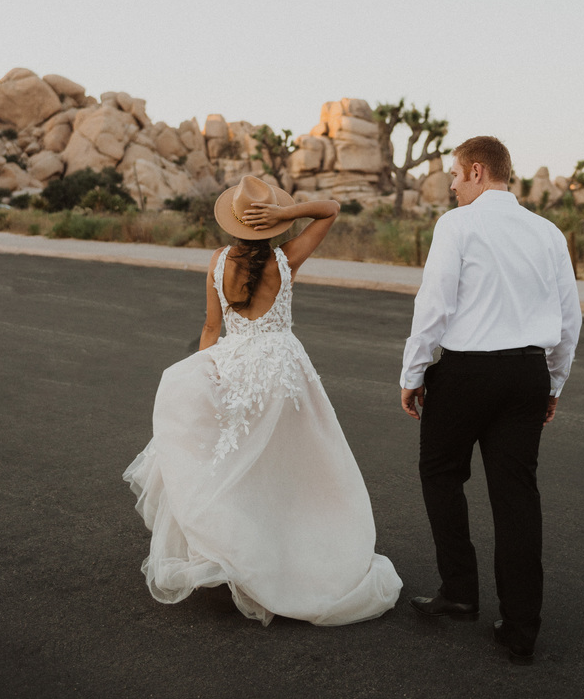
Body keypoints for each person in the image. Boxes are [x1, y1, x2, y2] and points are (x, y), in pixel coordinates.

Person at [124, 174, 402, 626]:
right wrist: (289, 214)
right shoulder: (286, 258)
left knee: (237, 468)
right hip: (281, 373)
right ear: (269, 223)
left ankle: (238, 549)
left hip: (234, 367)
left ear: (233, 223)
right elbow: (331, 208)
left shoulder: (217, 261)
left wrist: (206, 377)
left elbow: (211, 330)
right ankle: (290, 548)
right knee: (293, 470)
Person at [400, 137, 581, 664]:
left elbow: (434, 303)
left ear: (477, 172)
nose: (452, 185)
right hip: (527, 372)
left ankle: (459, 591)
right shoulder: (549, 233)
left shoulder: (458, 225)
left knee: (439, 471)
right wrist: (552, 383)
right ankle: (521, 627)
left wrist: (413, 372)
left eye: (455, 175)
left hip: (466, 374)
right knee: (516, 495)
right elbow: (569, 320)